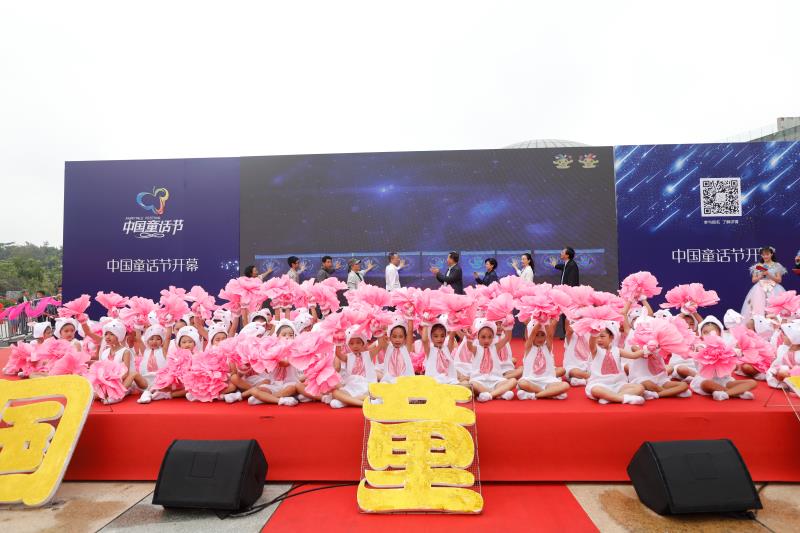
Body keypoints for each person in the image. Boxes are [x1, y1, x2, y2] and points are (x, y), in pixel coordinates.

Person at [586, 322, 646, 405]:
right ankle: (624, 398)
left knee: (640, 388)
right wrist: (593, 333)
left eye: (602, 336)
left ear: (611, 337)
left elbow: (633, 355)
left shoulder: (617, 350)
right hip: (600, 384)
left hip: (618, 384)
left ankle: (610, 398)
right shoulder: (596, 351)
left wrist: (647, 349)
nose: (599, 339)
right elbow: (591, 344)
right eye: (597, 337)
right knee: (595, 390)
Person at [517, 320, 569, 400]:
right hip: (531, 381)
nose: (540, 338)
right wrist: (540, 320)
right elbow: (532, 334)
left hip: (548, 381)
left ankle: (536, 395)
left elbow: (550, 335)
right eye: (537, 335)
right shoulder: (529, 347)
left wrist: (545, 322)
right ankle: (550, 393)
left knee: (565, 385)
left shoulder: (547, 347)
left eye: (542, 335)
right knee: (522, 383)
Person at [741, 246, 787, 321]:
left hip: (774, 288)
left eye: (767, 254)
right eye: (763, 255)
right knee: (758, 306)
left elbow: (779, 280)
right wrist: (761, 276)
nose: (765, 256)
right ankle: (759, 323)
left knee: (773, 307)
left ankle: (774, 323)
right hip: (759, 288)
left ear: (771, 254)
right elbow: (753, 280)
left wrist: (769, 274)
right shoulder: (758, 266)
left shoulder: (777, 265)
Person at [554, 247, 579, 338]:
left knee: (569, 314)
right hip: (565, 294)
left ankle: (570, 334)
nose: (561, 253)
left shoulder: (572, 265)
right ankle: (566, 334)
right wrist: (555, 265)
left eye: (562, 252)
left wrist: (569, 294)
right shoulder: (567, 264)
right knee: (565, 314)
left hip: (569, 295)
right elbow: (561, 267)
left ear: (567, 255)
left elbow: (572, 281)